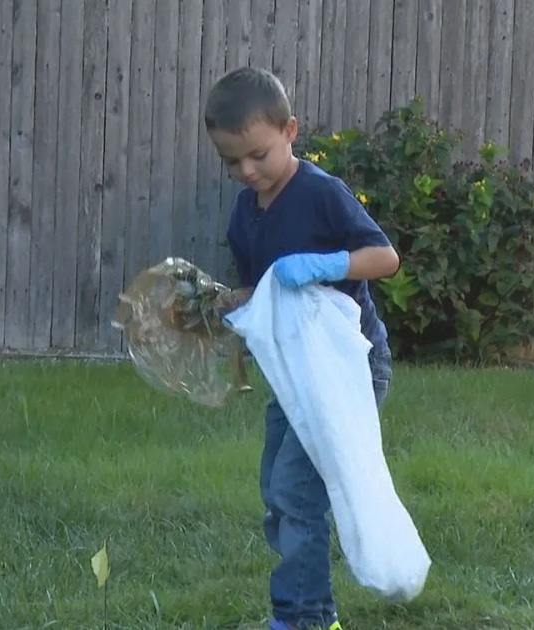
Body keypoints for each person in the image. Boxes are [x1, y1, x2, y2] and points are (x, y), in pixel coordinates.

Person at [201, 66, 401, 630]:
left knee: (297, 487)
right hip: (295, 370)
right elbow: (263, 293)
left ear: (291, 130)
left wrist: (331, 263)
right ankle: (317, 614)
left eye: (258, 155)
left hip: (347, 365)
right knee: (278, 488)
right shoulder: (246, 211)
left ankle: (301, 619)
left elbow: (385, 259)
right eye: (231, 162)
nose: (246, 171)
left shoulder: (320, 193)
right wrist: (220, 305)